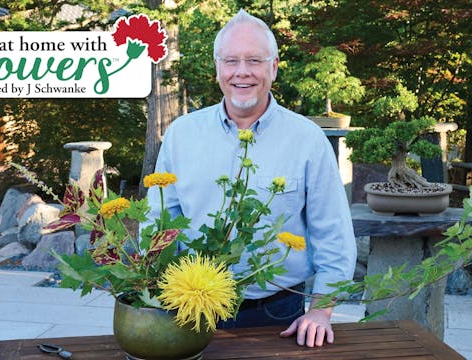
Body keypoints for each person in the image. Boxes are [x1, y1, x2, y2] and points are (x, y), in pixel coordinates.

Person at [146, 9, 356, 347]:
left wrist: (321, 311)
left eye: (254, 61)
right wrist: (151, 289)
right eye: (231, 61)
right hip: (189, 307)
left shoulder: (307, 139)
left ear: (273, 68)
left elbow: (333, 232)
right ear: (217, 69)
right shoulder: (181, 135)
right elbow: (160, 222)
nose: (242, 72)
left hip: (278, 313)